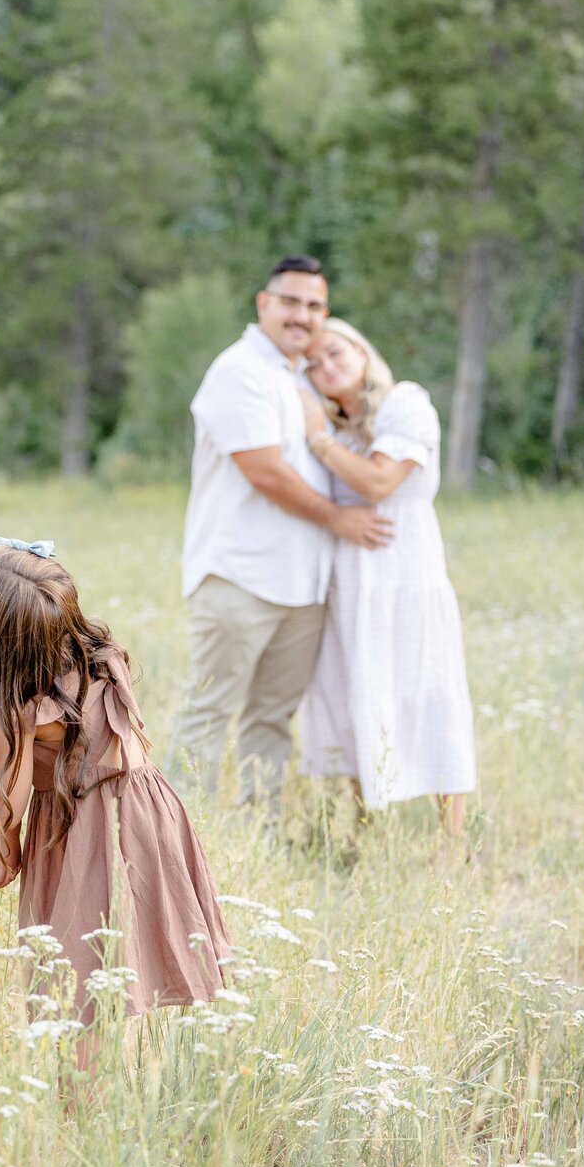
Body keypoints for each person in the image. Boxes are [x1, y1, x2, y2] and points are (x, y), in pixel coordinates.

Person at [0, 546, 230, 1057]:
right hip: (145, 811)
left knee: (83, 981)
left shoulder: (21, 710)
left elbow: (3, 807)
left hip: (92, 830)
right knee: (116, 968)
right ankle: (114, 1091)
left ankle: (85, 1109)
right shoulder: (94, 656)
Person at [174, 256, 394, 813]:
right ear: (264, 304)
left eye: (315, 306)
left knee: (271, 719)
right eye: (291, 302)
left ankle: (258, 834)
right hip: (239, 576)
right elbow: (264, 470)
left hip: (303, 586)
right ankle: (172, 842)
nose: (303, 315)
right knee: (208, 713)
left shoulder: (303, 376)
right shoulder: (240, 369)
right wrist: (338, 519)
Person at [297, 320, 476, 834]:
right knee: (357, 689)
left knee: (429, 687)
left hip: (405, 568)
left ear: (359, 347)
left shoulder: (404, 403)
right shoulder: (335, 423)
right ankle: (365, 827)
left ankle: (453, 839)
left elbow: (379, 480)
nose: (326, 367)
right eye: (313, 364)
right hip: (350, 577)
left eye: (333, 352)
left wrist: (317, 440)